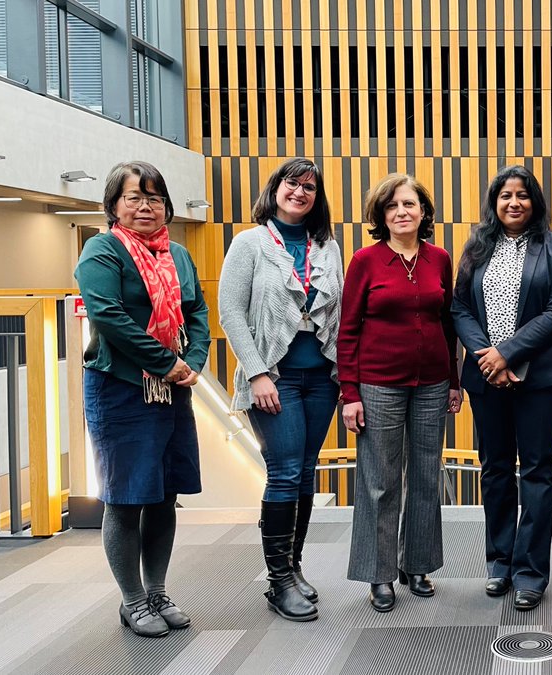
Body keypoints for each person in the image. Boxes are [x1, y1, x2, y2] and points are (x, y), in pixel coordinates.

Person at [75, 161, 210, 637]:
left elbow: (196, 310)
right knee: (126, 497)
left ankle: (156, 590)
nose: (146, 206)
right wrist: (166, 362)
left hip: (171, 390)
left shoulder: (178, 253)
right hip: (122, 389)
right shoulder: (102, 251)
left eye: (154, 197)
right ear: (114, 205)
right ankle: (132, 601)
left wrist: (193, 358)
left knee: (163, 494)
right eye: (134, 197)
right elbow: (108, 316)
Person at [218, 158, 343, 622]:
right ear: (275, 189)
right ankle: (277, 582)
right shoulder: (249, 243)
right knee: (285, 472)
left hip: (321, 379)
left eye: (310, 187)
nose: (300, 192)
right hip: (274, 378)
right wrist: (256, 373)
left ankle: (294, 567)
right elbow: (230, 312)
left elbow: (340, 312)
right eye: (292, 183)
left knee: (307, 471)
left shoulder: (327, 246)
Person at [451, 165, 552, 612]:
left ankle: (530, 571)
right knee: (496, 470)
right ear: (494, 201)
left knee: (538, 472)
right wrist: (488, 356)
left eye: (522, 195)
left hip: (539, 377)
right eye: (505, 195)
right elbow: (460, 307)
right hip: (487, 379)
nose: (514, 203)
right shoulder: (476, 247)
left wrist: (507, 353)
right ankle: (499, 563)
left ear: (534, 201)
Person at [338, 173, 463, 613]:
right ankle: (380, 574)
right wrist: (349, 392)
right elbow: (348, 330)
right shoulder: (365, 261)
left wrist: (454, 379)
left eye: (409, 204)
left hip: (431, 383)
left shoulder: (439, 259)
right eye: (392, 206)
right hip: (377, 384)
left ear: (424, 212)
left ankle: (419, 565)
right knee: (379, 481)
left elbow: (448, 324)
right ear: (381, 215)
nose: (402, 212)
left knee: (427, 475)